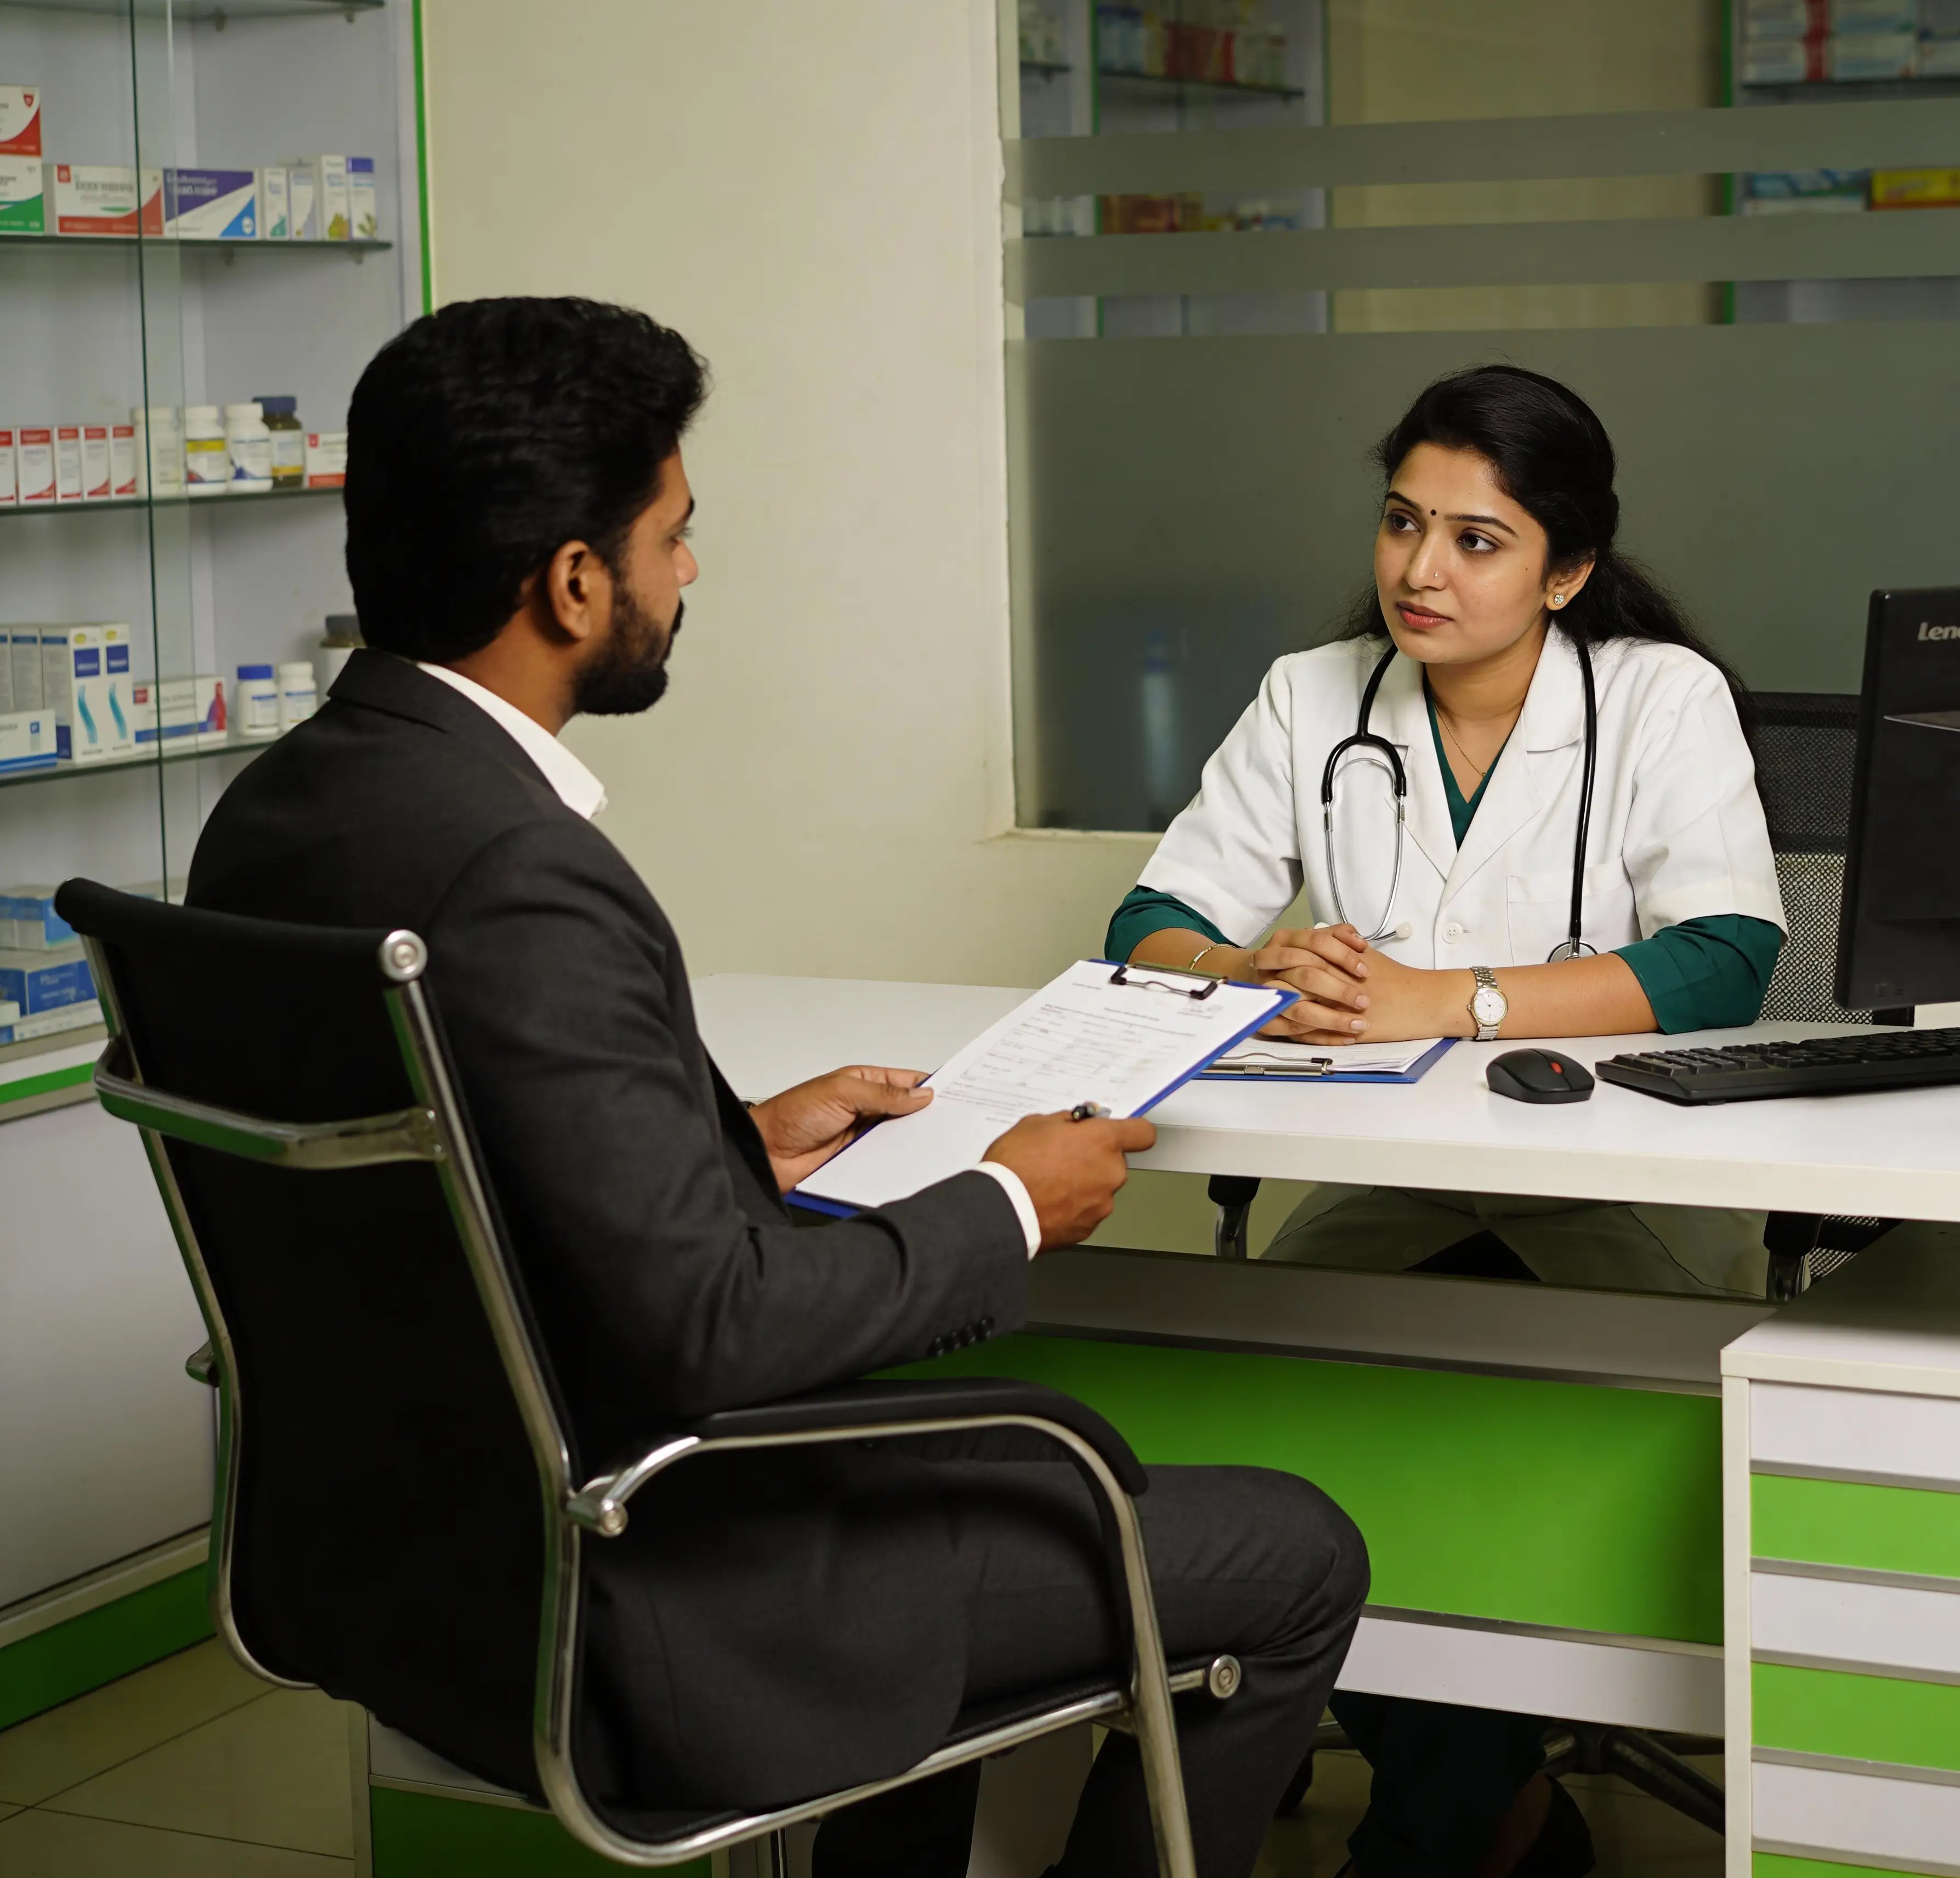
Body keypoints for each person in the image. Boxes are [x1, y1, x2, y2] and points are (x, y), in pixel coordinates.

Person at [187, 296, 1368, 1878]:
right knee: (1294, 1550)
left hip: (400, 1567)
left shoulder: (278, 814)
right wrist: (1014, 1198)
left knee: (1010, 1454)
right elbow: (712, 1333)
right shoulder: (528, 871)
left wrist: (727, 1138)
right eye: (675, 536)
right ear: (573, 582)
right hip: (643, 1591)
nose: (691, 574)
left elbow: (440, 1176)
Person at [1103, 363, 1786, 1877]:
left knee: (1482, 1438)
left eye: (1479, 539)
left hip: (1621, 1206)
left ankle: (1425, 1845)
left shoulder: (1660, 700)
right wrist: (1245, 964)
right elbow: (1145, 922)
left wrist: (1447, 1000)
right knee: (1319, 1456)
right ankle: (1504, 1822)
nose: (1422, 569)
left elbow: (1728, 957)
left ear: (1571, 570)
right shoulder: (1311, 694)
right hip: (1385, 1193)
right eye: (1404, 523)